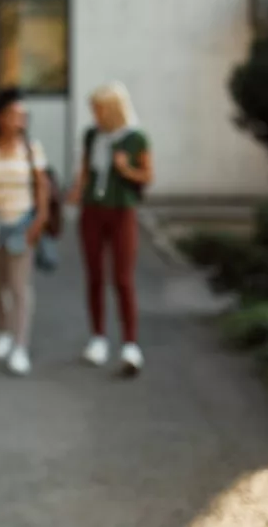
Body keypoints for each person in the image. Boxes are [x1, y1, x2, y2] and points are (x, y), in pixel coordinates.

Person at [66, 81, 153, 376]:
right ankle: (98, 338)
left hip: (121, 211)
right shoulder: (92, 135)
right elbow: (85, 170)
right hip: (92, 211)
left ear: (113, 109)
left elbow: (146, 176)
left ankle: (130, 343)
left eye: (98, 108)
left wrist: (125, 168)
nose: (94, 114)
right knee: (94, 275)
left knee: (123, 277)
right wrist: (77, 191)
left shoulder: (136, 138)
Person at [0, 87, 49, 376]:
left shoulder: (31, 149)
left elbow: (42, 188)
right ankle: (2, 331)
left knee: (19, 288)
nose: (21, 120)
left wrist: (39, 221)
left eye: (24, 115)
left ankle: (20, 346)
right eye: (15, 114)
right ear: (0, 118)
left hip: (21, 226)